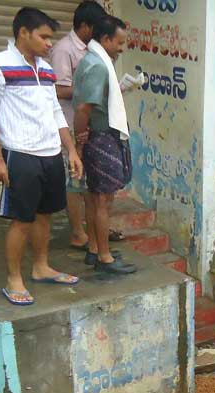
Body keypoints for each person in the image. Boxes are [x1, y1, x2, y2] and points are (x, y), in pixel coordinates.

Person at [0, 7, 83, 306]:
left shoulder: (46, 69)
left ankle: (41, 266)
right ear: (23, 32)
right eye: (44, 37)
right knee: (22, 220)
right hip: (20, 154)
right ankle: (14, 279)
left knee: (44, 215)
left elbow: (54, 112)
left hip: (50, 153)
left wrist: (71, 150)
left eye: (51, 38)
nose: (50, 44)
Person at [73, 15, 136, 274]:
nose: (121, 48)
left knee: (93, 198)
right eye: (119, 43)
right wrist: (80, 138)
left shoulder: (92, 60)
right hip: (100, 136)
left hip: (97, 134)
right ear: (106, 39)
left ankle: (94, 250)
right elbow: (84, 107)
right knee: (102, 200)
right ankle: (105, 258)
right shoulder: (98, 65)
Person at [50, 0, 109, 252]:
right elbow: (58, 89)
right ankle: (77, 232)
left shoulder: (90, 49)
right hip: (68, 122)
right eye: (95, 28)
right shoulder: (64, 49)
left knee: (87, 180)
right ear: (85, 25)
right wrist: (92, 90)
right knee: (74, 180)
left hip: (88, 123)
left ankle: (93, 231)